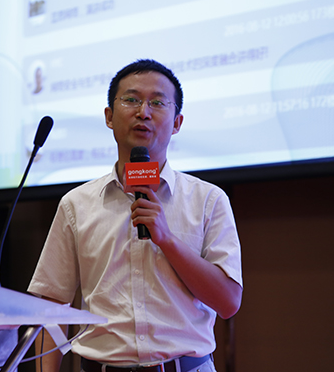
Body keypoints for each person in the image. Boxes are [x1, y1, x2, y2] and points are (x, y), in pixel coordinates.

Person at [28, 59, 243, 372]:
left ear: (177, 122)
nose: (143, 112)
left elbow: (228, 303)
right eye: (131, 100)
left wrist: (167, 240)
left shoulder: (208, 200)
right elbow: (51, 304)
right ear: (109, 117)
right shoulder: (76, 204)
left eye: (157, 102)